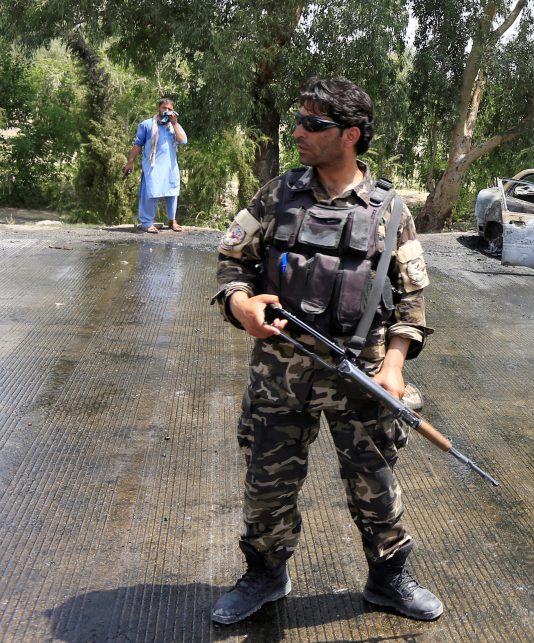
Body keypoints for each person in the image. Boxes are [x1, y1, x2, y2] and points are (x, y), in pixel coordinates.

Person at [209, 77, 441, 625]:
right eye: (299, 120)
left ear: (351, 135)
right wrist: (241, 304)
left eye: (314, 124)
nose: (299, 133)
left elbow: (411, 297)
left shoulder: (390, 210)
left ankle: (389, 579)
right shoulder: (274, 195)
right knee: (267, 481)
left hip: (361, 373)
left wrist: (394, 369)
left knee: (375, 481)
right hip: (279, 372)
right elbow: (231, 263)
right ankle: (265, 574)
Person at [123, 97, 187, 233]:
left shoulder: (173, 125)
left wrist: (175, 124)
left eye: (170, 109)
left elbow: (183, 141)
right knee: (150, 192)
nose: (167, 111)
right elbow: (138, 144)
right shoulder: (147, 125)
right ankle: (147, 222)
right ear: (159, 108)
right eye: (165, 108)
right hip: (153, 166)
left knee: (172, 192)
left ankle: (172, 220)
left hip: (170, 166)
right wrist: (130, 161)